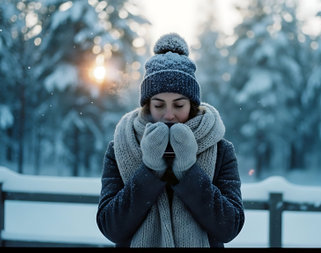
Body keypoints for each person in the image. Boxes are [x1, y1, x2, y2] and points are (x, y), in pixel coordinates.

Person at [96, 33, 244, 248]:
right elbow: (111, 227)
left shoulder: (220, 149)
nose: (168, 115)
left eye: (178, 105)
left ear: (192, 104)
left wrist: (188, 170)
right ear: (147, 105)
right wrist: (150, 170)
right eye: (159, 105)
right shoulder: (122, 147)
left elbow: (229, 227)